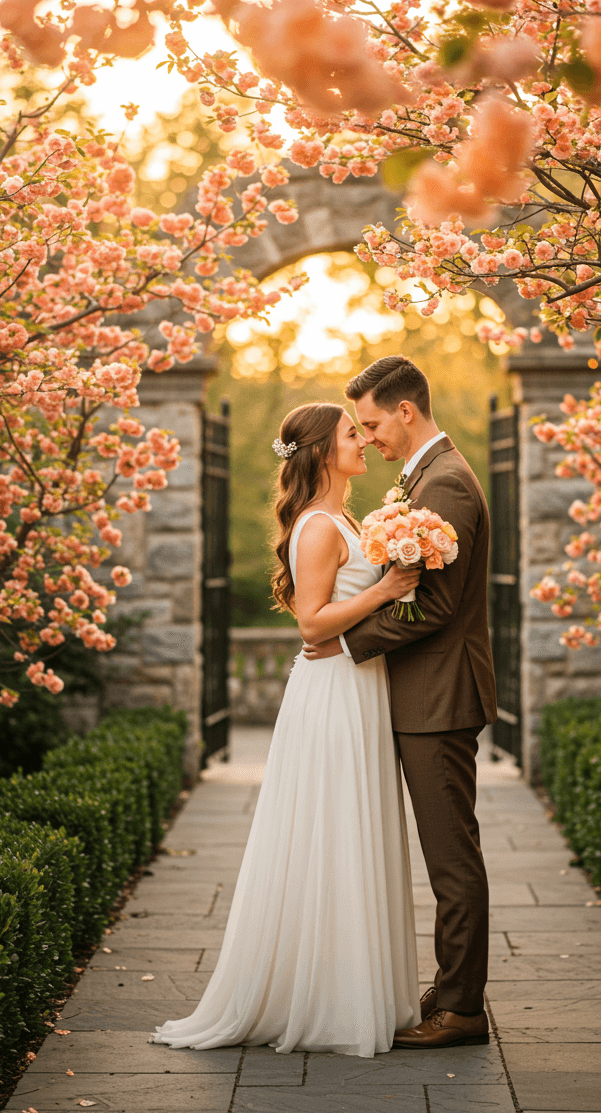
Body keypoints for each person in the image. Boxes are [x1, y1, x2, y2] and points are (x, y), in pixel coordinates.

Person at [152, 401, 423, 1057]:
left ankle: (353, 989)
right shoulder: (317, 527)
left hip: (358, 686)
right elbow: (311, 624)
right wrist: (386, 591)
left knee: (353, 831)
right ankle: (326, 1001)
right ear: (322, 453)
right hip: (333, 694)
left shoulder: (344, 518)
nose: (363, 441)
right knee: (333, 830)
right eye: (351, 434)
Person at [304, 356, 497, 1050]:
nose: (369, 435)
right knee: (447, 851)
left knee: (450, 857)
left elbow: (436, 608)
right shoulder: (427, 478)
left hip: (438, 698)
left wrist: (347, 642)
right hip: (424, 695)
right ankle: (451, 990)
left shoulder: (443, 484)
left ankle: (462, 1009)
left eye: (374, 422)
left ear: (407, 411)